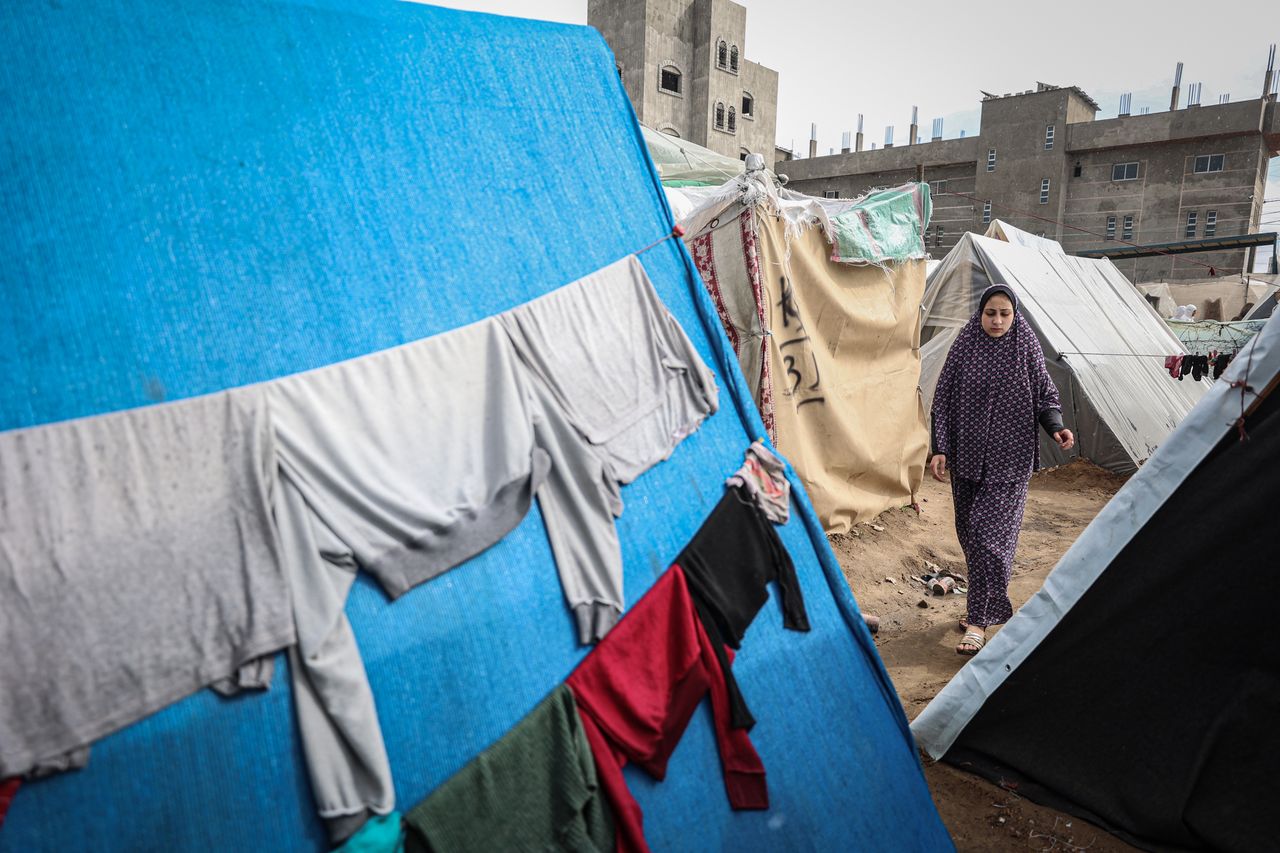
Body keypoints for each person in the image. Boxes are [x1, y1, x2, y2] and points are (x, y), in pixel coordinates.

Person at [928, 284, 1074, 656]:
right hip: (966, 459)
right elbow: (942, 397)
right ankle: (985, 599)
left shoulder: (1025, 346)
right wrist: (940, 447)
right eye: (990, 313)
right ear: (980, 313)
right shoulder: (965, 345)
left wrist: (1056, 426)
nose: (996, 320)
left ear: (1014, 314)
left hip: (1011, 460)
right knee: (970, 536)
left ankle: (978, 622)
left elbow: (1045, 394)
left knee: (987, 538)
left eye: (1004, 314)